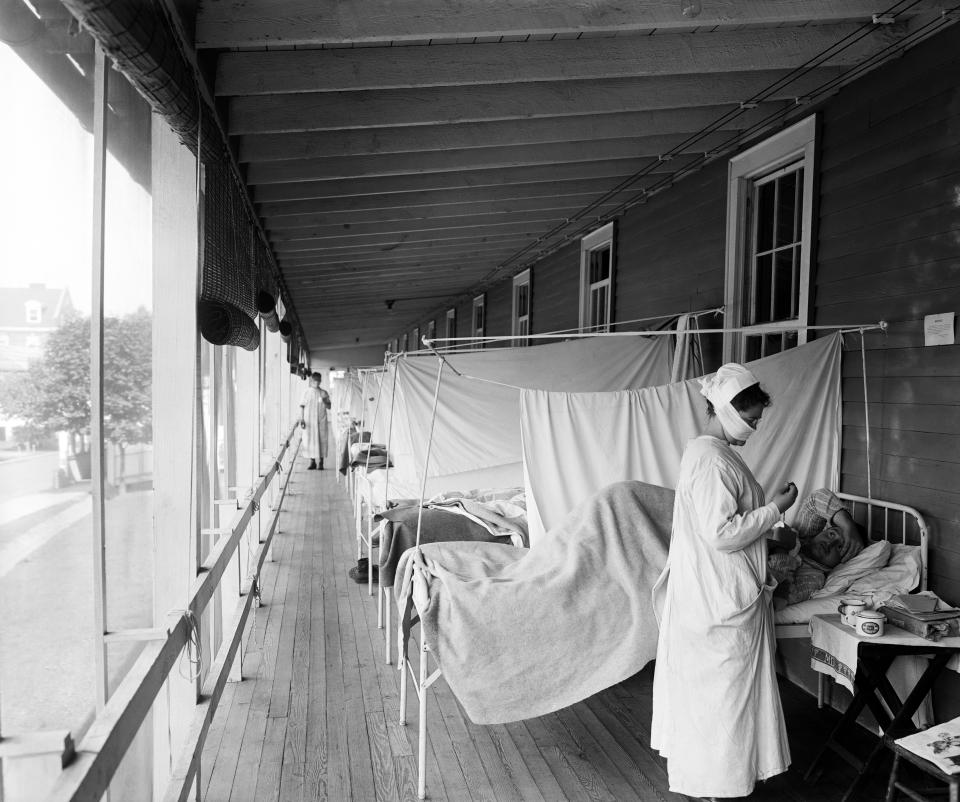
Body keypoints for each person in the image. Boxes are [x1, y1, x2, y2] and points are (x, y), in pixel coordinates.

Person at [651, 363, 797, 800]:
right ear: (728, 412)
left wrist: (768, 538)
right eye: (750, 420)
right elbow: (722, 534)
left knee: (718, 697)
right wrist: (776, 508)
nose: (754, 428)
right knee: (721, 699)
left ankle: (720, 781)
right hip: (717, 597)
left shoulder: (711, 453)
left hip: (713, 590)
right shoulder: (712, 459)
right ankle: (717, 784)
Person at [767, 488, 868, 606]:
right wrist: (848, 526)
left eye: (840, 547)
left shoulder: (814, 578)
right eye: (831, 534)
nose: (829, 544)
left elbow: (780, 597)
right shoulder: (803, 535)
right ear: (825, 530)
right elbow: (816, 498)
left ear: (844, 560)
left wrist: (782, 548)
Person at [299, 372, 331, 470]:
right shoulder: (306, 392)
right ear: (312, 380)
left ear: (320, 381)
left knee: (322, 440)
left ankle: (321, 462)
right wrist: (302, 419)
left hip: (321, 420)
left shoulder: (324, 393)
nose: (317, 382)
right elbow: (302, 406)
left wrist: (325, 401)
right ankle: (312, 462)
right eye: (315, 380)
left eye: (318, 380)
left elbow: (329, 406)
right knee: (310, 441)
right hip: (309, 421)